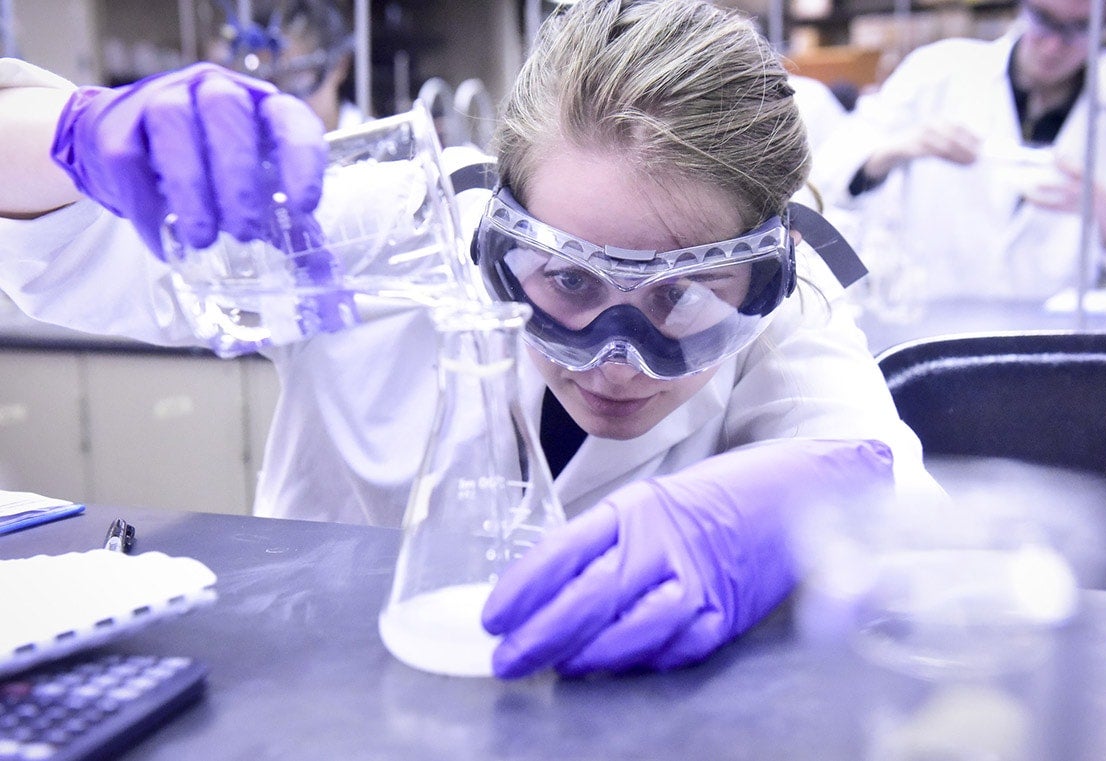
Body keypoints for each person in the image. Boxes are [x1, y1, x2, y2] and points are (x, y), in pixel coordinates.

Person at [0, 0, 945, 677]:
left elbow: (916, 529)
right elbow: (70, 255)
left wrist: (811, 505)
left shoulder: (789, 304)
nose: (617, 356)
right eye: (567, 279)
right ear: (497, 228)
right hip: (321, 685)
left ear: (764, 272)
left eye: (683, 296)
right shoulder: (391, 227)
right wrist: (73, 134)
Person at [812, 0, 1106, 301]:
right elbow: (826, 179)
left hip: (1056, 332)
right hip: (931, 319)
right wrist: (898, 149)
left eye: (1079, 28)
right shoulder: (936, 71)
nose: (1053, 45)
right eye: (1043, 19)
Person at [207, 0, 361, 132]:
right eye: (261, 81)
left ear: (340, 65)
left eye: (291, 78)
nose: (276, 104)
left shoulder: (371, 143)